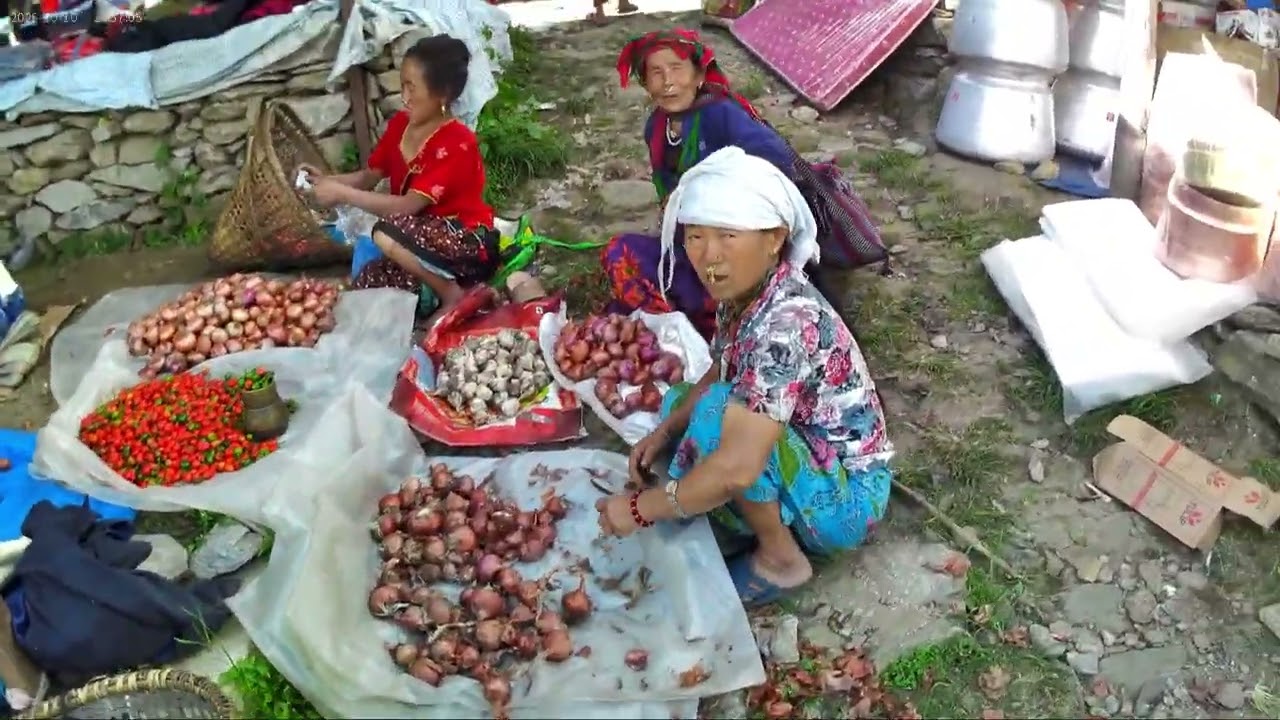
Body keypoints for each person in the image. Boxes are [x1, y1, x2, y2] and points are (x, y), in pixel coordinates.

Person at [594, 147, 894, 607]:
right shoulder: (748, 291)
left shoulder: (787, 324)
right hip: (799, 450)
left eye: (727, 235)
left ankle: (781, 559)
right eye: (695, 237)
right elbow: (722, 364)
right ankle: (732, 509)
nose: (708, 256)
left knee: (720, 424)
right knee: (680, 402)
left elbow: (738, 465)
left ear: (774, 238)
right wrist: (664, 430)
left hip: (846, 501)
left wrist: (637, 511)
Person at [601, 28, 884, 338]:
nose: (667, 81)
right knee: (621, 252)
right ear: (645, 83)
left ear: (699, 77)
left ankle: (714, 317)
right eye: (656, 72)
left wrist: (713, 194)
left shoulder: (721, 114)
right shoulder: (656, 127)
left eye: (677, 68)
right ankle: (684, 314)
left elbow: (775, 157)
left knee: (739, 294)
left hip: (738, 239)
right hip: (694, 242)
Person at [306, 34, 499, 325]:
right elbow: (369, 176)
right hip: (419, 248)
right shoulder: (400, 126)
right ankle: (445, 292)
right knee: (368, 283)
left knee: (385, 231)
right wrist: (327, 181)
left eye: (413, 88)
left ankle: (451, 294)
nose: (405, 97)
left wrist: (341, 194)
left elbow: (407, 207)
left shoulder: (456, 142)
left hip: (465, 243)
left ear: (442, 95)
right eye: (402, 85)